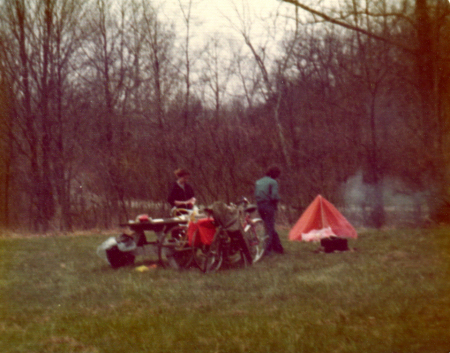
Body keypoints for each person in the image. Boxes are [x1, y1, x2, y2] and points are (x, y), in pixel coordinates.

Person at [254, 165, 284, 255]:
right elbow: (274, 196)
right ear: (275, 174)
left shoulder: (258, 182)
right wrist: (278, 199)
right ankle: (266, 250)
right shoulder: (273, 182)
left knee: (269, 226)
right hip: (268, 206)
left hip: (259, 206)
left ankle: (278, 248)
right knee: (269, 228)